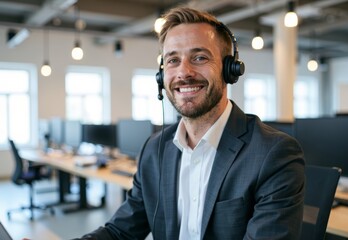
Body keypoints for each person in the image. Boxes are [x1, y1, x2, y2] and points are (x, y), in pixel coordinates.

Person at [74, 6, 305, 240]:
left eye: (200, 57)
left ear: (229, 70)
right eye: (173, 60)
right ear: (161, 76)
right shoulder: (155, 150)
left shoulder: (273, 153)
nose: (184, 72)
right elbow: (119, 231)